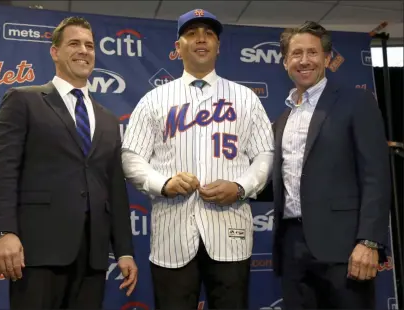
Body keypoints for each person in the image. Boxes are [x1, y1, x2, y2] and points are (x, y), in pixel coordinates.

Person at [121, 8, 274, 310]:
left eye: (208, 34)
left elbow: (265, 155)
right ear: (178, 48)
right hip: (172, 234)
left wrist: (241, 187)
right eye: (191, 34)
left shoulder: (245, 98)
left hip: (230, 231)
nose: (200, 39)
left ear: (218, 45)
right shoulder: (154, 100)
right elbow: (131, 156)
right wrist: (162, 182)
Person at [0, 16, 138, 309]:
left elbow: (115, 190)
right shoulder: (23, 100)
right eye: (74, 43)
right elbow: (2, 171)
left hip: (93, 257)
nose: (84, 50)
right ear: (55, 52)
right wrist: (3, 232)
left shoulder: (108, 119)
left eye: (89, 45)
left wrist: (125, 251)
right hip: (37, 251)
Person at [269, 21, 391, 309]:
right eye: (296, 54)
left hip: (345, 247)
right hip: (292, 247)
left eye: (312, 53)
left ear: (326, 58)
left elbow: (376, 175)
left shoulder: (356, 102)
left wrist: (370, 242)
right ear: (286, 61)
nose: (304, 60)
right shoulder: (282, 118)